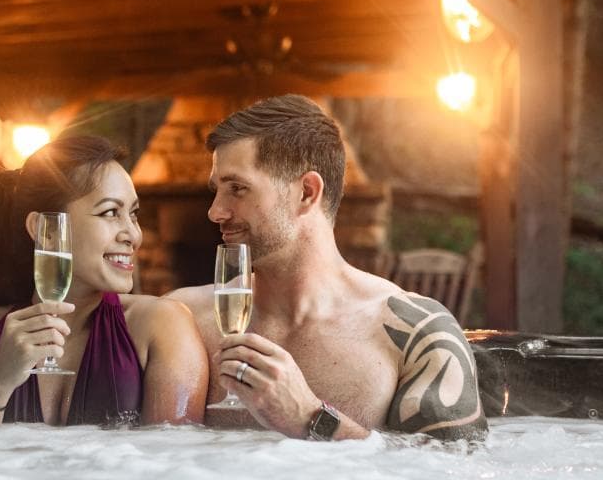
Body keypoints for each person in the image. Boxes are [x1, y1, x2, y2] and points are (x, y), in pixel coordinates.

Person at [167, 95, 487, 442]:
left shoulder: (415, 334)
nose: (215, 212)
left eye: (237, 189)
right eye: (217, 191)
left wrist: (310, 417)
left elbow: (455, 477)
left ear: (306, 192)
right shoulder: (182, 320)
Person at [0, 135, 207, 432]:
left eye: (133, 214)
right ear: (44, 231)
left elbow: (175, 462)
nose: (133, 235)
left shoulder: (162, 326)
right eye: (110, 212)